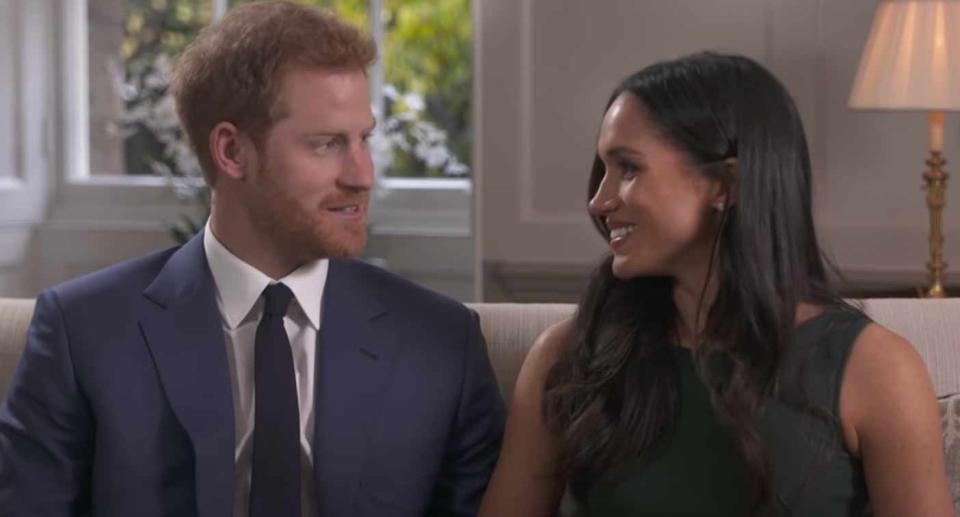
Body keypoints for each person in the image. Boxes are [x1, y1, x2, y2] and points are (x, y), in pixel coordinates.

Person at [0, 2, 504, 516]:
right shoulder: (81, 333)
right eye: (328, 144)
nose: (362, 174)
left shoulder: (442, 344)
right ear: (233, 152)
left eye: (363, 139)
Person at [478, 52, 953, 516]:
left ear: (726, 185)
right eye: (603, 169)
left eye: (628, 168)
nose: (599, 202)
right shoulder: (568, 357)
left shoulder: (875, 370)